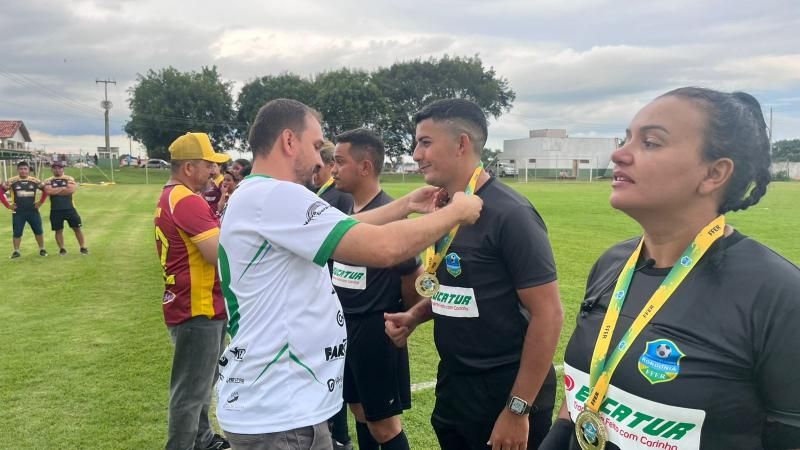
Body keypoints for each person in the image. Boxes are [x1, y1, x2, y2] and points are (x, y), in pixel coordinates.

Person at [540, 87, 800, 450]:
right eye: (626, 138)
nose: (618, 153)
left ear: (714, 174)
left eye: (650, 142)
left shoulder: (778, 294)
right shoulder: (612, 264)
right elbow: (587, 383)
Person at [215, 98, 482, 450]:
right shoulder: (276, 196)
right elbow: (382, 248)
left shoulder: (259, 195)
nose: (320, 160)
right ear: (288, 141)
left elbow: (341, 227)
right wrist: (456, 212)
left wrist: (405, 205)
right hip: (282, 414)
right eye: (315, 146)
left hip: (277, 406)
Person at [384, 98, 563, 450]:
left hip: (505, 388)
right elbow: (459, 287)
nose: (416, 154)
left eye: (425, 142)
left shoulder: (511, 214)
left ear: (462, 143)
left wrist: (516, 409)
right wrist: (415, 315)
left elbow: (549, 314)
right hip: (455, 381)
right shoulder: (446, 209)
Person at [330, 128, 423, 450]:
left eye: (340, 162)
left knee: (384, 425)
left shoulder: (391, 214)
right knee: (359, 410)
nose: (333, 169)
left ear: (365, 167)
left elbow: (413, 275)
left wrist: (400, 315)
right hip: (344, 327)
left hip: (374, 329)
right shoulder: (346, 210)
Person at [154, 132, 231, 450]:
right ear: (188, 167)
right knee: (190, 392)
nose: (213, 172)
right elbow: (219, 255)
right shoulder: (187, 200)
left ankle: (202, 439)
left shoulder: (174, 196)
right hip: (197, 307)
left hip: (198, 304)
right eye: (207, 165)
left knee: (201, 384)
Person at [1, 161, 49, 258]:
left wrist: (40, 202)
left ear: (28, 170)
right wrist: (8, 205)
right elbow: (0, 192)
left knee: (38, 230)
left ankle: (42, 249)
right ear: (17, 170)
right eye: (21, 169)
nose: (23, 171)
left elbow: (46, 190)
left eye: (25, 169)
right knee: (17, 232)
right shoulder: (11, 181)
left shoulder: (35, 181)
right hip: (18, 211)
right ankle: (16, 251)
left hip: (32, 211)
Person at [43, 161, 88, 255]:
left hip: (70, 208)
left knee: (77, 228)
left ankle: (83, 247)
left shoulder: (69, 178)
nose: (57, 170)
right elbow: (48, 191)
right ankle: (62, 249)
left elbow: (71, 190)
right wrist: (63, 188)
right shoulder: (48, 180)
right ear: (52, 169)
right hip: (55, 210)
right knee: (58, 230)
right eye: (55, 168)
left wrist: (56, 191)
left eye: (59, 168)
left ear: (63, 169)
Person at [315, 140, 353, 214]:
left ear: (331, 165)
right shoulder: (308, 190)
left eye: (318, 168)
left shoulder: (344, 196)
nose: (313, 172)